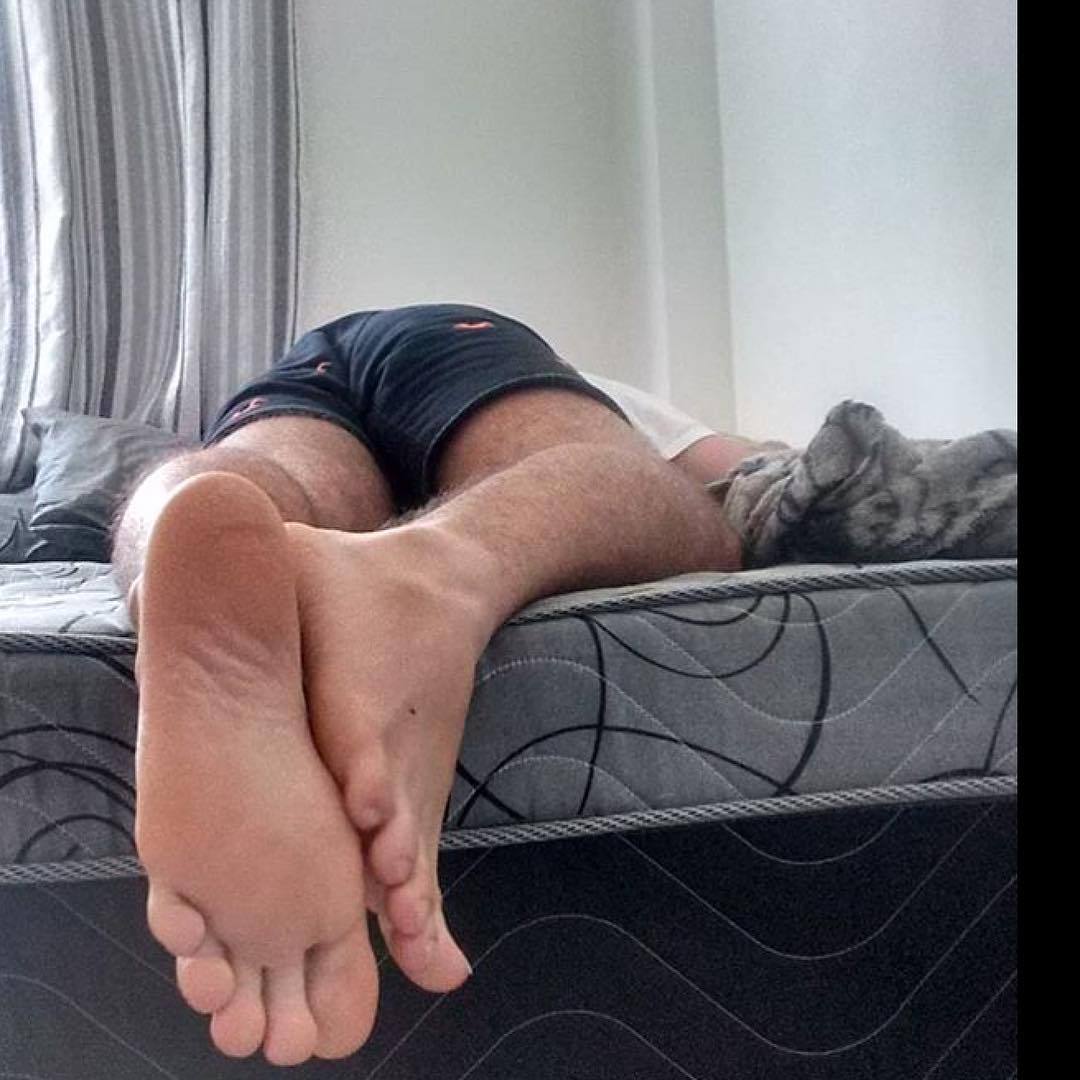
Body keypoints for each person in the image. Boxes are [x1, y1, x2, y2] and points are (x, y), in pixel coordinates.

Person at [110, 303, 768, 1067]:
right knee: (628, 484)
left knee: (243, 486)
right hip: (456, 338)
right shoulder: (590, 388)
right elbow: (741, 472)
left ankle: (180, 546)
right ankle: (440, 567)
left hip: (296, 380)